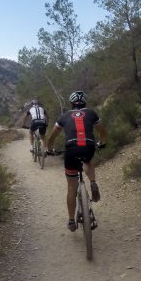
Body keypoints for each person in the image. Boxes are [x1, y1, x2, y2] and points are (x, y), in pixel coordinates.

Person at [45, 90, 107, 232]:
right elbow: (102, 132)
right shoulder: (91, 113)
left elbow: (52, 137)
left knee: (71, 188)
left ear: (71, 103)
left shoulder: (64, 116)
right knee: (87, 161)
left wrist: (50, 149)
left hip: (71, 149)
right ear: (85, 102)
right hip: (88, 146)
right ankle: (93, 182)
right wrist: (102, 143)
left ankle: (72, 221)